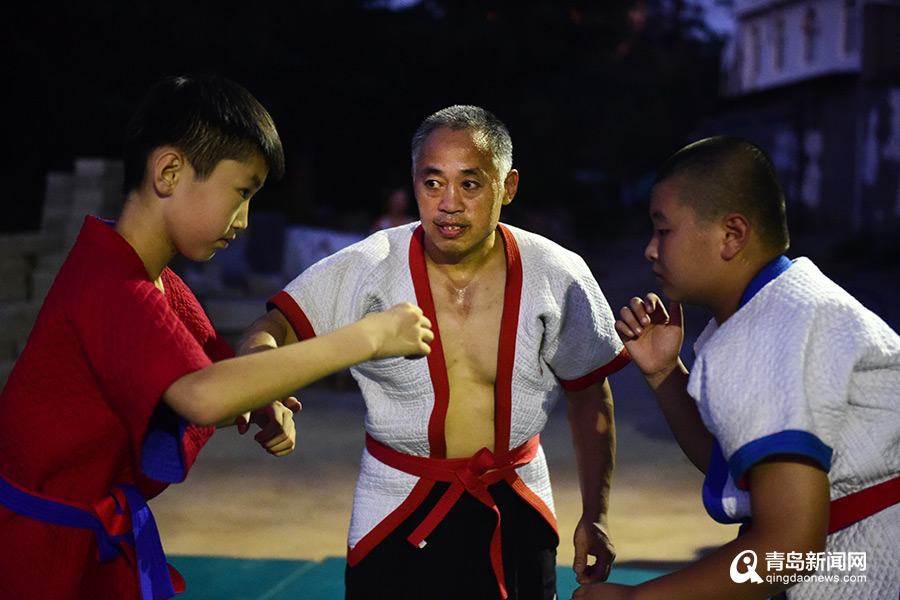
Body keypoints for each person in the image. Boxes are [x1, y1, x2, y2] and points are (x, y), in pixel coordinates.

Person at [0, 75, 433, 600]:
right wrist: (367, 336)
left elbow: (219, 382)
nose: (245, 220)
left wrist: (261, 397)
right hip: (31, 553)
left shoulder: (157, 283)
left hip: (77, 540)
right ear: (169, 171)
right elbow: (203, 395)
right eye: (241, 193)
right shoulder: (110, 283)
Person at [238, 105, 630, 600]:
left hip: (516, 500)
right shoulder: (369, 266)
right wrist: (263, 384)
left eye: (470, 184)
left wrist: (596, 516)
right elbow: (268, 328)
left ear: (507, 187)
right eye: (433, 183)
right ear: (414, 184)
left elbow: (590, 392)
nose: (449, 203)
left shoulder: (558, 272)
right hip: (394, 502)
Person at [575, 136, 900, 599]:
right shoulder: (777, 307)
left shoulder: (779, 327)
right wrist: (665, 373)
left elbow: (789, 547)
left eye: (663, 231)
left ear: (732, 235)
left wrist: (639, 598)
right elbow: (739, 466)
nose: (650, 250)